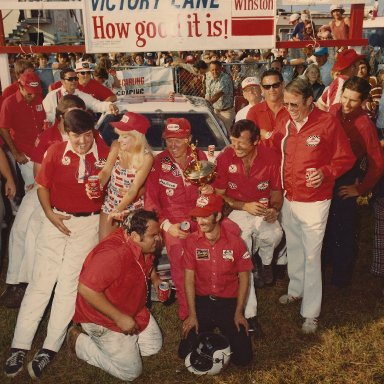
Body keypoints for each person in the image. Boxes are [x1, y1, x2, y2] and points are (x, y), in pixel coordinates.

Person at [3, 109, 109, 379]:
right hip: (56, 220)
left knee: (67, 284)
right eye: (76, 136)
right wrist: (49, 213)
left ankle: (50, 346)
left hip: (87, 224)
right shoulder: (55, 151)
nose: (83, 142)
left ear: (93, 132)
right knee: (41, 282)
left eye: (87, 135)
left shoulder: (105, 153)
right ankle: (20, 344)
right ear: (67, 133)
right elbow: (42, 185)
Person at [271, 77, 355, 333]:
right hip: (289, 197)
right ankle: (295, 290)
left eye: (294, 104)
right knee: (294, 246)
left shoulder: (327, 122)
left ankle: (311, 312)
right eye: (286, 103)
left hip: (315, 200)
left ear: (309, 101)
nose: (289, 109)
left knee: (311, 254)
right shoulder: (284, 119)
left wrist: (326, 172)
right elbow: (275, 150)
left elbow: (346, 158)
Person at [0, 95, 86, 309]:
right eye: (73, 114)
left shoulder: (86, 134)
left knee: (34, 231)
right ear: (60, 116)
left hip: (72, 194)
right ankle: (16, 283)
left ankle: (35, 284)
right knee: (20, 228)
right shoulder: (47, 136)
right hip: (45, 189)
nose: (78, 118)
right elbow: (40, 174)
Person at [67, 209, 162, 381]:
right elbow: (86, 289)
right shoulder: (114, 254)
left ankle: (123, 346)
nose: (158, 239)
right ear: (134, 236)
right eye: (153, 235)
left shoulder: (142, 244)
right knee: (131, 373)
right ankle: (79, 342)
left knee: (152, 347)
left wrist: (154, 277)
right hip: (103, 317)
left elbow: (147, 262)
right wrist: (119, 318)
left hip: (131, 307)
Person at [214, 119, 283, 329]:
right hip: (237, 211)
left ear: (256, 141)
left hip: (262, 209)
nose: (236, 147)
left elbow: (277, 193)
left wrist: (274, 210)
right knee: (242, 253)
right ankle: (250, 314)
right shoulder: (225, 157)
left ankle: (265, 263)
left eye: (241, 143)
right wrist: (244, 205)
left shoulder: (271, 157)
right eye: (233, 141)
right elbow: (220, 195)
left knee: (274, 235)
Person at [144, 118, 208, 321]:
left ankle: (212, 303)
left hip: (200, 217)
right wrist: (167, 226)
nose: (173, 145)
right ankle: (187, 313)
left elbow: (212, 193)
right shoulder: (158, 161)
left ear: (189, 139)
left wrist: (209, 191)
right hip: (172, 221)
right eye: (169, 140)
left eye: (178, 140)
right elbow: (151, 201)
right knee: (180, 260)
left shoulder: (200, 157)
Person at [323, 77, 384, 287]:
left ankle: (341, 277)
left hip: (347, 177)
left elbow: (377, 162)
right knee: (326, 223)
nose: (347, 104)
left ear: (363, 101)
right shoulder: (333, 111)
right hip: (327, 172)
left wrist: (360, 189)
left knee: (344, 227)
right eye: (345, 97)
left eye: (353, 101)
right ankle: (325, 264)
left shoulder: (364, 124)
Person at [178, 193, 253, 366]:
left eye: (205, 216)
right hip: (202, 301)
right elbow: (188, 280)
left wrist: (239, 312)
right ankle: (212, 332)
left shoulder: (236, 243)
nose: (200, 221)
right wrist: (192, 314)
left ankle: (226, 333)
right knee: (185, 353)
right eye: (197, 216)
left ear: (218, 216)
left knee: (243, 359)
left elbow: (244, 279)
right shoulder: (191, 242)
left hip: (227, 301)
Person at [98, 112, 154, 240]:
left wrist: (118, 210)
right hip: (110, 204)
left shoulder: (147, 157)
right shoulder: (116, 146)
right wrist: (97, 183)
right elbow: (105, 172)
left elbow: (134, 189)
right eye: (119, 135)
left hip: (133, 210)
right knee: (105, 247)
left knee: (129, 252)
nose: (119, 140)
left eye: (124, 136)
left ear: (136, 137)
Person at [0, 71, 46, 190]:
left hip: (43, 152)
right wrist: (15, 153)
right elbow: (3, 129)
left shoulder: (39, 98)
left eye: (35, 93)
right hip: (26, 155)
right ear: (20, 86)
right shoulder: (9, 103)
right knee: (32, 189)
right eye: (29, 93)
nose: (33, 96)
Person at [43, 68, 119, 124]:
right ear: (62, 81)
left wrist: (109, 105)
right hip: (58, 131)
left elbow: (96, 104)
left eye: (75, 78)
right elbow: (48, 116)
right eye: (70, 79)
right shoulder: (52, 96)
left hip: (78, 130)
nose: (74, 81)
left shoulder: (81, 95)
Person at [247, 69, 289, 141]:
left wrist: (265, 135)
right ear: (262, 88)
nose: (271, 89)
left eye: (275, 85)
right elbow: (249, 139)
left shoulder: (293, 109)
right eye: (267, 86)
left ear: (283, 85)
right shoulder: (254, 112)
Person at [205, 60, 235, 134]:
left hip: (226, 112)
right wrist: (205, 103)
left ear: (221, 69)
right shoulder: (209, 78)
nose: (214, 72)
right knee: (217, 134)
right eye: (212, 70)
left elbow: (219, 93)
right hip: (215, 111)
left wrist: (209, 103)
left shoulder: (225, 78)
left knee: (227, 134)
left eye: (216, 69)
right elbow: (208, 93)